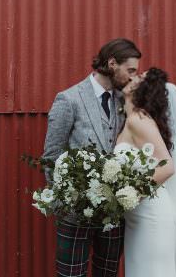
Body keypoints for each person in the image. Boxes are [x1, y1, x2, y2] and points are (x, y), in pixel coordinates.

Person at [42, 38, 141, 277]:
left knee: (107, 273)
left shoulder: (124, 101)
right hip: (75, 214)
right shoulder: (69, 99)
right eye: (130, 71)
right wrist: (67, 201)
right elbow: (51, 156)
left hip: (114, 215)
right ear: (112, 63)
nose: (132, 78)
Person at [115, 68, 176, 277]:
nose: (132, 77)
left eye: (138, 78)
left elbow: (167, 166)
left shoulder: (139, 120)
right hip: (138, 217)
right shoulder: (132, 119)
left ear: (144, 92)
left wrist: (132, 192)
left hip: (151, 216)